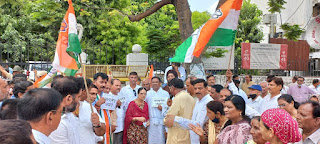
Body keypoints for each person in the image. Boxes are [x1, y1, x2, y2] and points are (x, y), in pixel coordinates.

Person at [167, 79, 213, 143]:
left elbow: (198, 124)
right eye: (195, 89)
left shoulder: (208, 102)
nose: (197, 91)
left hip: (201, 139)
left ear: (206, 88)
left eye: (200, 88)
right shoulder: (198, 100)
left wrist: (176, 119)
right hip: (193, 138)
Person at [49, 77, 83, 143]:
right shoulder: (57, 122)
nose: (79, 101)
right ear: (69, 98)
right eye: (78, 97)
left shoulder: (69, 115)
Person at [164, 78, 195, 144]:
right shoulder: (190, 98)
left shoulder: (178, 98)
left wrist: (164, 120)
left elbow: (168, 119)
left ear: (172, 88)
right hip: (188, 136)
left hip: (177, 137)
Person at [76, 78, 106, 144]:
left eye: (96, 94)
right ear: (82, 91)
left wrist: (97, 124)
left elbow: (102, 132)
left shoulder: (89, 107)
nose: (94, 96)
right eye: (91, 92)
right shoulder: (65, 108)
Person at [145, 77, 169, 144]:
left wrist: (162, 108)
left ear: (160, 83)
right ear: (151, 83)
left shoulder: (165, 94)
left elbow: (168, 108)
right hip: (151, 121)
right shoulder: (147, 94)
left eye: (156, 82)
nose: (154, 84)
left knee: (161, 140)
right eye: (153, 82)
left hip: (161, 120)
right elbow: (145, 107)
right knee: (151, 140)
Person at [100, 79, 122, 144]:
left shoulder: (120, 95)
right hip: (106, 126)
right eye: (116, 85)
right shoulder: (104, 97)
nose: (118, 87)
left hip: (117, 126)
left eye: (120, 86)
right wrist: (111, 124)